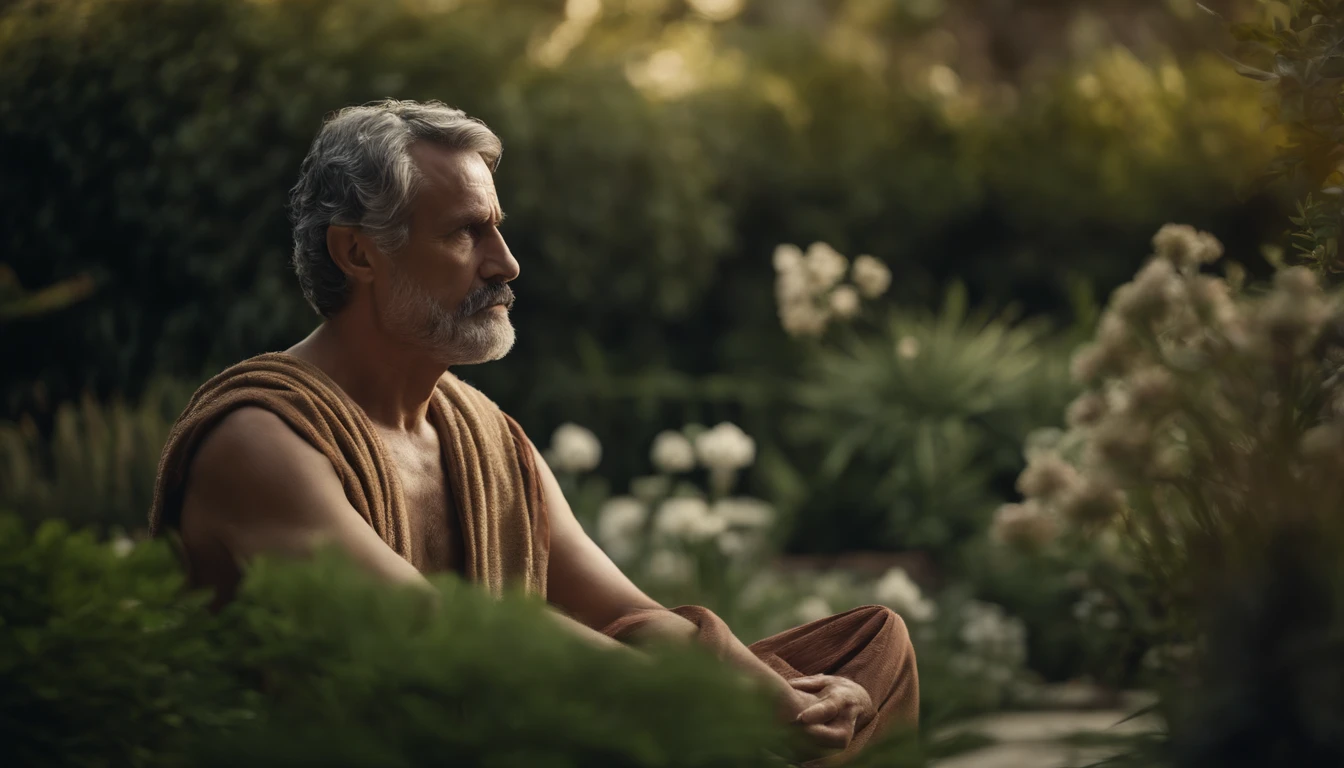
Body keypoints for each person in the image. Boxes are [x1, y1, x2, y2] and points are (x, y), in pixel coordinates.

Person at [149, 99, 917, 766]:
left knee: (872, 650)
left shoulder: (487, 438)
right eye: (465, 234)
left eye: (498, 231)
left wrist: (784, 698)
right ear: (357, 253)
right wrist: (709, 708)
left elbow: (625, 614)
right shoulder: (259, 438)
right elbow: (449, 638)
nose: (506, 264)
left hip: (523, 731)